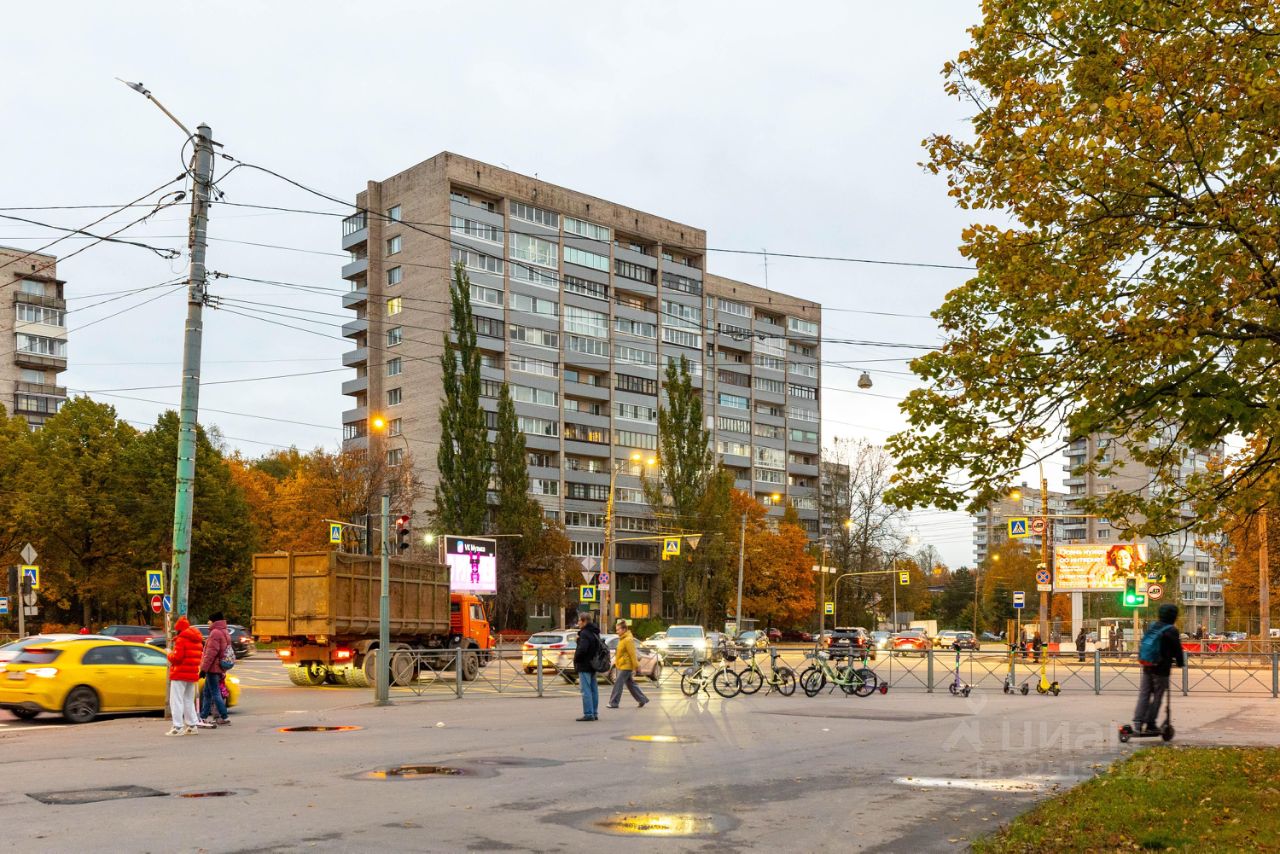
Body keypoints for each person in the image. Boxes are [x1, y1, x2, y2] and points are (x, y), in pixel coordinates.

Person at [1134, 604, 1185, 734]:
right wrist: (1180, 662)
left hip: (1147, 666)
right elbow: (1177, 650)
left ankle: (1138, 721)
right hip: (1161, 669)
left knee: (1144, 694)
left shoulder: (1153, 626)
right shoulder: (1171, 630)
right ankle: (1150, 723)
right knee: (1157, 696)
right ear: (1173, 616)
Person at [166, 615, 204, 736]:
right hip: (192, 674)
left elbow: (177, 658)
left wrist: (169, 654)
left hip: (179, 673)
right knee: (188, 700)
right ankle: (192, 725)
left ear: (179, 629)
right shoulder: (198, 640)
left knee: (176, 700)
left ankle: (178, 727)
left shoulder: (181, 640)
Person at [606, 619, 648, 710]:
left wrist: (637, 666)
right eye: (616, 630)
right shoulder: (622, 639)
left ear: (624, 629)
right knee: (631, 684)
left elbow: (632, 654)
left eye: (618, 630)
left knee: (618, 683)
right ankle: (642, 699)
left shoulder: (628, 640)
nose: (617, 631)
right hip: (622, 665)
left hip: (626, 666)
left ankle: (614, 703)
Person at [199, 612, 232, 727]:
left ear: (214, 621)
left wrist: (204, 669)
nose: (208, 622)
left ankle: (224, 716)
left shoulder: (215, 633)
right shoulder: (224, 631)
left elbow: (211, 653)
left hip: (213, 667)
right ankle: (203, 717)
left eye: (209, 620)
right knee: (207, 693)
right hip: (219, 666)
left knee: (215, 693)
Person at [573, 612, 603, 722]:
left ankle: (588, 713)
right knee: (594, 690)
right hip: (593, 664)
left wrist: (576, 659)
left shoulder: (584, 633)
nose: (578, 623)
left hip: (584, 665)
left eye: (579, 620)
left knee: (586, 690)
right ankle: (594, 712)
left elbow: (583, 649)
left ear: (584, 621)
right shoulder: (595, 632)